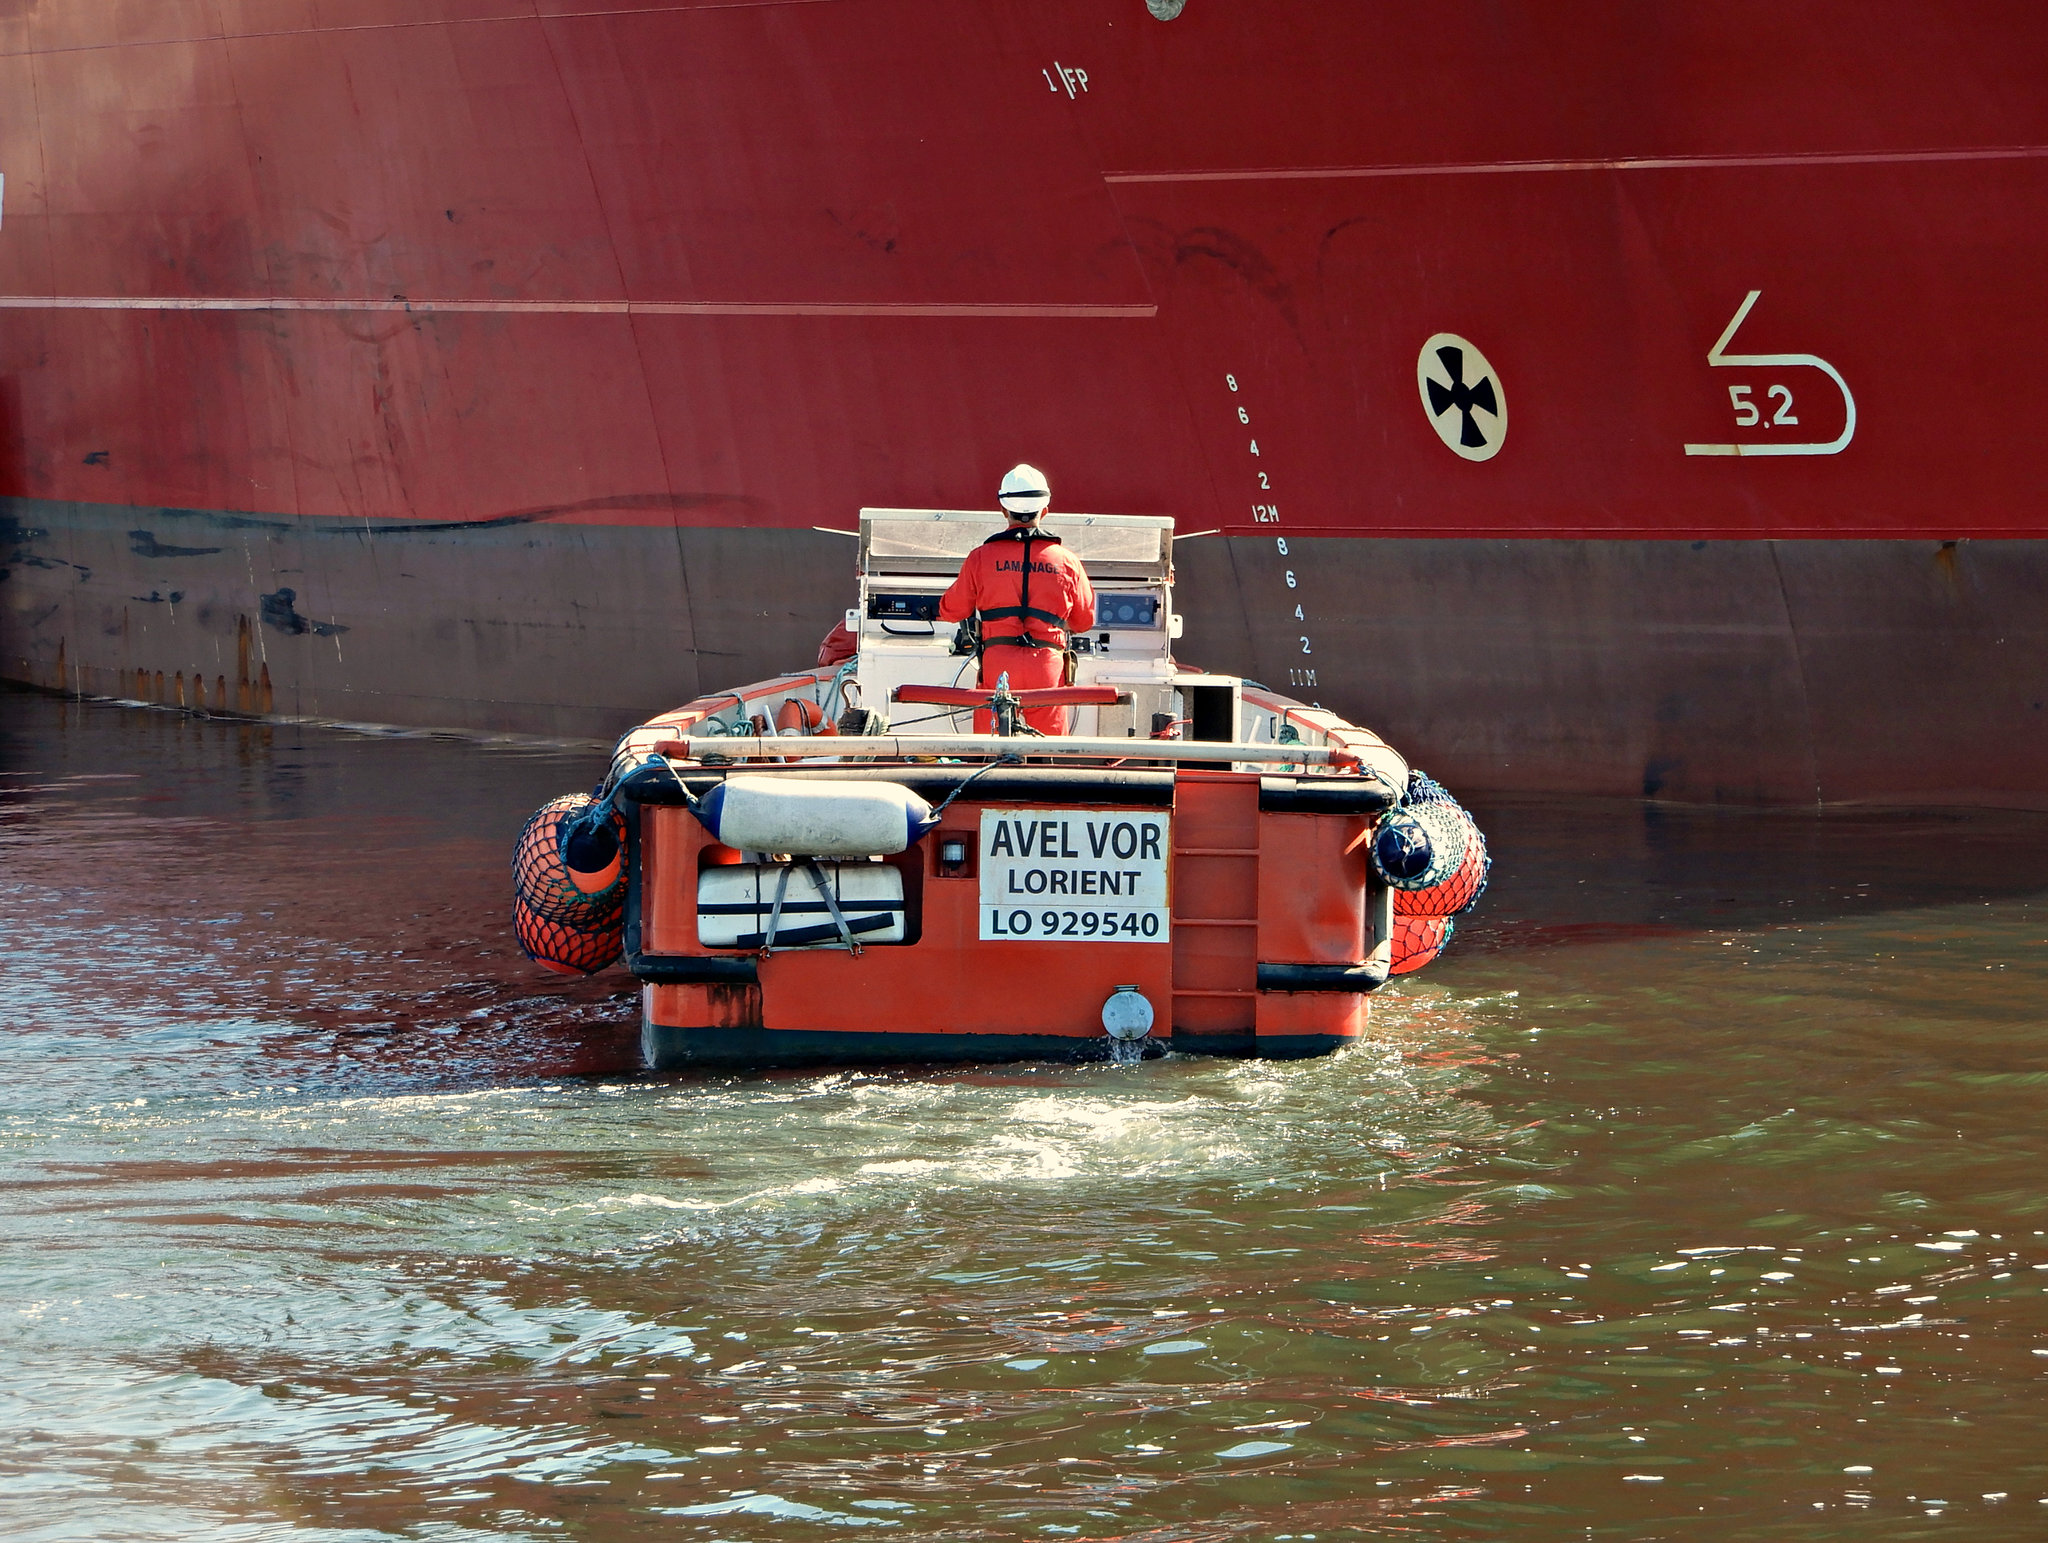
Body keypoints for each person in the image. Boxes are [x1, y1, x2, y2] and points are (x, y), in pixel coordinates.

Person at [938, 464, 1096, 735]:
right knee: (1045, 754)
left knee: (991, 748)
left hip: (998, 666)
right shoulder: (1067, 561)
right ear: (1044, 511)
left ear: (1003, 510)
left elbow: (953, 610)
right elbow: (1084, 621)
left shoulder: (980, 557)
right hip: (1047, 666)